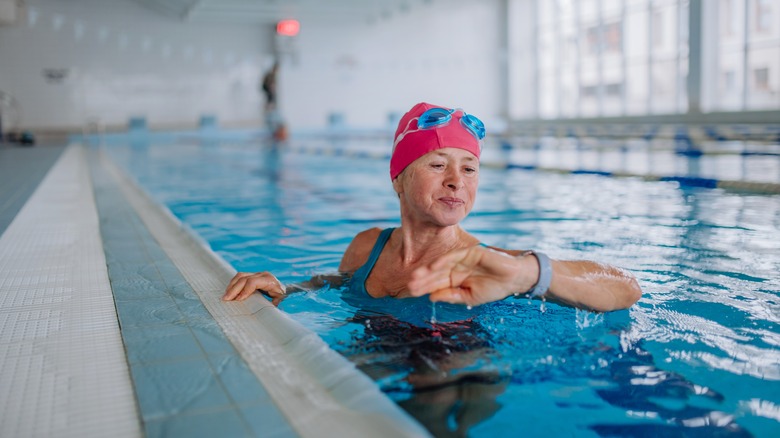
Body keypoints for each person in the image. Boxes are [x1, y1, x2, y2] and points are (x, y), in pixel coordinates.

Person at [224, 102, 642, 312]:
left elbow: (625, 286)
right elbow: (336, 281)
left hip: (455, 385)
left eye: (470, 168)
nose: (456, 181)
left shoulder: (483, 261)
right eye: (438, 164)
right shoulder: (366, 246)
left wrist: (528, 273)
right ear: (398, 178)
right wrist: (288, 289)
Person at [260, 61, 287, 141]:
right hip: (270, 101)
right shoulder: (270, 76)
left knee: (274, 118)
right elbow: (264, 87)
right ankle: (273, 134)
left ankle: (274, 134)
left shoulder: (272, 76)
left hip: (271, 102)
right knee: (271, 119)